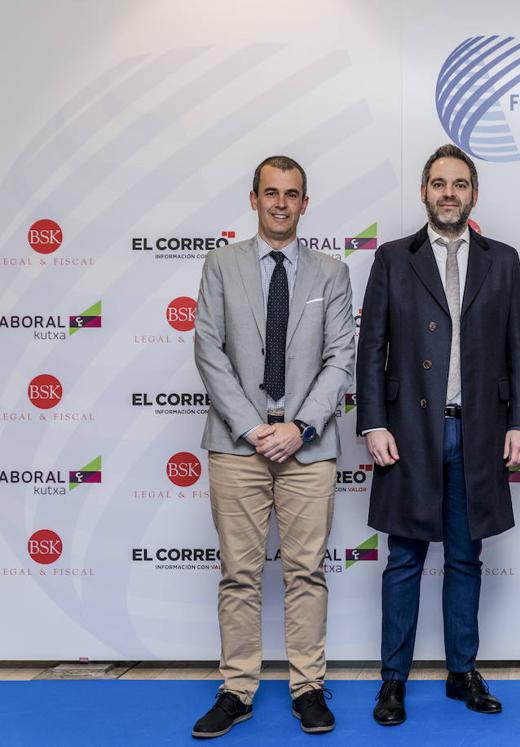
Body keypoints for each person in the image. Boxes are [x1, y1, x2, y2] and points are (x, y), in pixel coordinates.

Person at [356, 144, 520, 726]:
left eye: (459, 183)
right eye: (439, 183)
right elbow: (370, 348)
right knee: (404, 559)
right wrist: (374, 421)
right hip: (408, 433)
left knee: (465, 557)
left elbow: (518, 348)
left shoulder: (502, 261)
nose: (449, 193)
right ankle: (393, 681)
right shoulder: (391, 259)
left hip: (479, 434)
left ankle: (462, 672)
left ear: (474, 193)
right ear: (424, 192)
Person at [191, 155, 354, 738]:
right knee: (239, 572)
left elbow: (340, 358)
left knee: (306, 571)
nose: (281, 203)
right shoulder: (220, 265)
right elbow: (208, 350)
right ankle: (237, 689)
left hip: (308, 448)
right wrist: (250, 427)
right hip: (238, 447)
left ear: (305, 203)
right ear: (253, 198)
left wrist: (300, 428)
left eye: (292, 194)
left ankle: (308, 686)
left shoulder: (332, 273)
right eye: (271, 193)